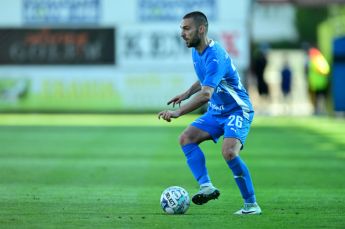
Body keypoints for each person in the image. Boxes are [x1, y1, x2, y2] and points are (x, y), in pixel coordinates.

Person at [158, 11, 261, 215]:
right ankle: (206, 186)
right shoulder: (197, 51)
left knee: (229, 152)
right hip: (218, 111)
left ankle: (251, 205)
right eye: (182, 29)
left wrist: (179, 113)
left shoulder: (215, 56)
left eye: (186, 29)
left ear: (201, 29)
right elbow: (205, 79)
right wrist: (186, 94)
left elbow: (206, 94)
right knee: (186, 138)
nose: (182, 33)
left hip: (237, 110)